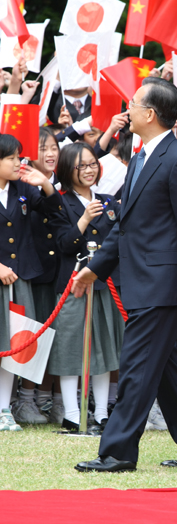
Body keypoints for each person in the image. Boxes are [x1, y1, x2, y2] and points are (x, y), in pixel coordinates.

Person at [71, 78, 177, 472]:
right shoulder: (139, 157)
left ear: (150, 114)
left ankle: (117, 452)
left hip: (162, 284)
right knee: (164, 369)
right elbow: (126, 225)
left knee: (137, 365)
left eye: (133, 103)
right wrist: (94, 268)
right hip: (137, 279)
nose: (128, 108)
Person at [47, 143, 124, 432]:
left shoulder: (109, 201)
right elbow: (65, 244)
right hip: (72, 284)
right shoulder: (60, 201)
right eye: (82, 166)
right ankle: (70, 415)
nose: (89, 170)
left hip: (105, 285)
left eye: (93, 164)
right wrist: (84, 218)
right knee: (70, 349)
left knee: (103, 350)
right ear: (68, 170)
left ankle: (102, 414)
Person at [0, 135, 62, 432]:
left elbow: (55, 212)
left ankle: (4, 409)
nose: (18, 162)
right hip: (3, 275)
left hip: (21, 277)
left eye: (18, 157)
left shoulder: (24, 188)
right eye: (11, 158)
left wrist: (45, 184)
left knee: (15, 345)